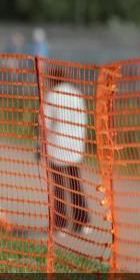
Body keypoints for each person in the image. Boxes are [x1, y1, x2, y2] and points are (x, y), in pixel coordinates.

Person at [41, 67, 90, 241]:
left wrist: (41, 146)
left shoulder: (52, 96)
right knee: (76, 185)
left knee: (59, 188)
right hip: (75, 147)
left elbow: (45, 123)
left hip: (56, 147)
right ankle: (82, 222)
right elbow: (84, 120)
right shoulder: (76, 94)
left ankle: (60, 224)